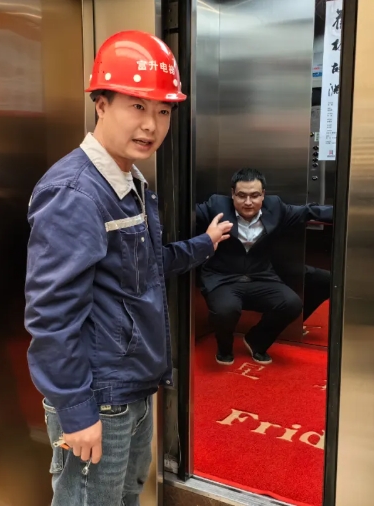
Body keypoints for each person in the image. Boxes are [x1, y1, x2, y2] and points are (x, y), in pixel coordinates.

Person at [24, 31, 232, 506]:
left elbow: (145, 268)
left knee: (125, 498)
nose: (151, 125)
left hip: (132, 390)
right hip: (98, 397)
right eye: (137, 106)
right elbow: (51, 316)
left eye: (163, 111)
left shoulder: (127, 180)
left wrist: (203, 244)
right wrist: (77, 410)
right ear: (101, 104)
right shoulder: (75, 193)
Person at [196, 168, 332, 365]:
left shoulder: (275, 207)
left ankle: (256, 341)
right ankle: (224, 348)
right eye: (241, 195)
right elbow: (184, 212)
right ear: (232, 194)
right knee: (226, 311)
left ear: (263, 195)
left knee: (291, 304)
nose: (248, 202)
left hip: (259, 276)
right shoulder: (216, 205)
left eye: (254, 195)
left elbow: (309, 211)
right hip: (223, 277)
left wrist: (350, 213)